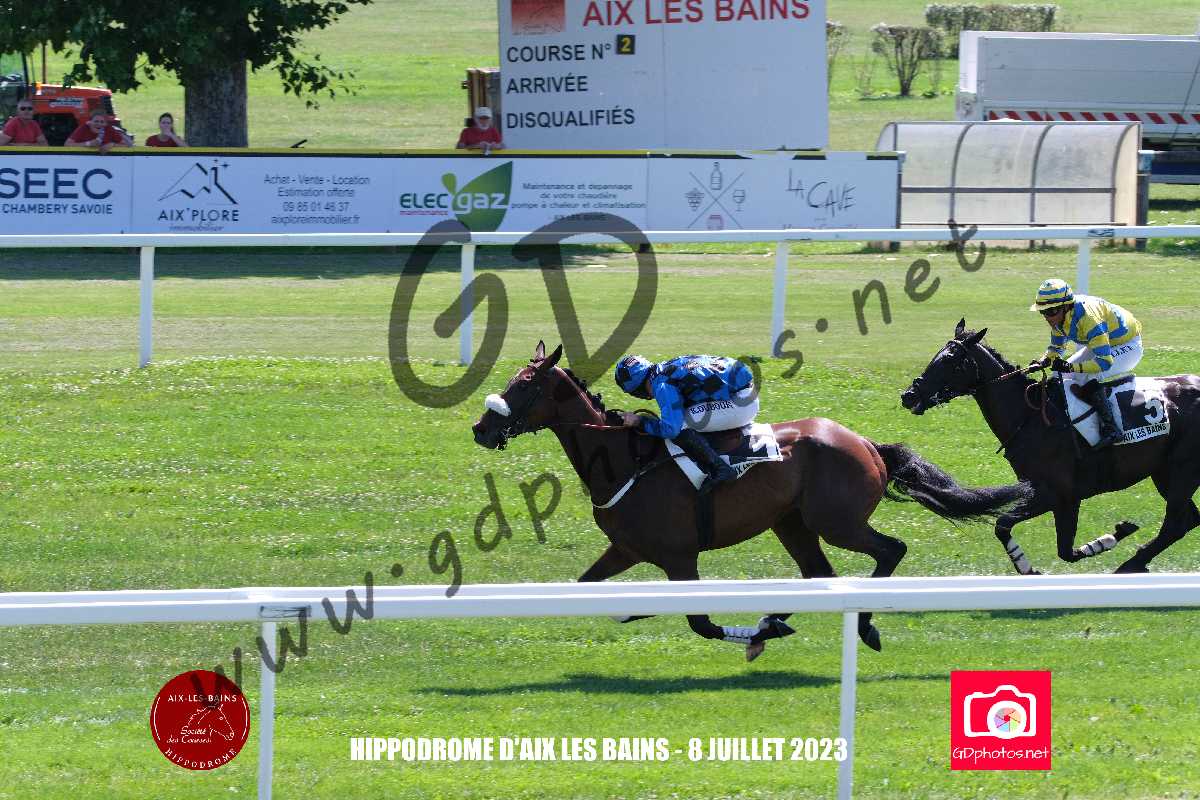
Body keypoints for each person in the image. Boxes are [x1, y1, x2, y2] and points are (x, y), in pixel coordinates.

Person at [614, 354, 759, 493]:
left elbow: (672, 429)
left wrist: (640, 421)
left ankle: (720, 469)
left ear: (636, 391)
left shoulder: (661, 384)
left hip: (742, 402)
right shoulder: (664, 368)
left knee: (680, 424)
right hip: (744, 391)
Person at [1028, 278, 1143, 448]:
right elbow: (1057, 347)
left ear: (1066, 306)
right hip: (1104, 343)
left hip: (1128, 345)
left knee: (1088, 376)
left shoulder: (1088, 318)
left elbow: (1104, 362)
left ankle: (1111, 429)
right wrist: (1043, 361)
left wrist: (1071, 366)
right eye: (1043, 312)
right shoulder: (1059, 318)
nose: (1047, 317)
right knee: (1059, 374)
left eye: (1051, 311)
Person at [65, 110, 132, 153]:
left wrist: (112, 145)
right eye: (96, 121)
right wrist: (88, 144)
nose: (99, 124)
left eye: (102, 122)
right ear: (90, 122)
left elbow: (128, 145)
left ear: (105, 123)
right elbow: (67, 144)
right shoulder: (84, 128)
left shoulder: (109, 129)